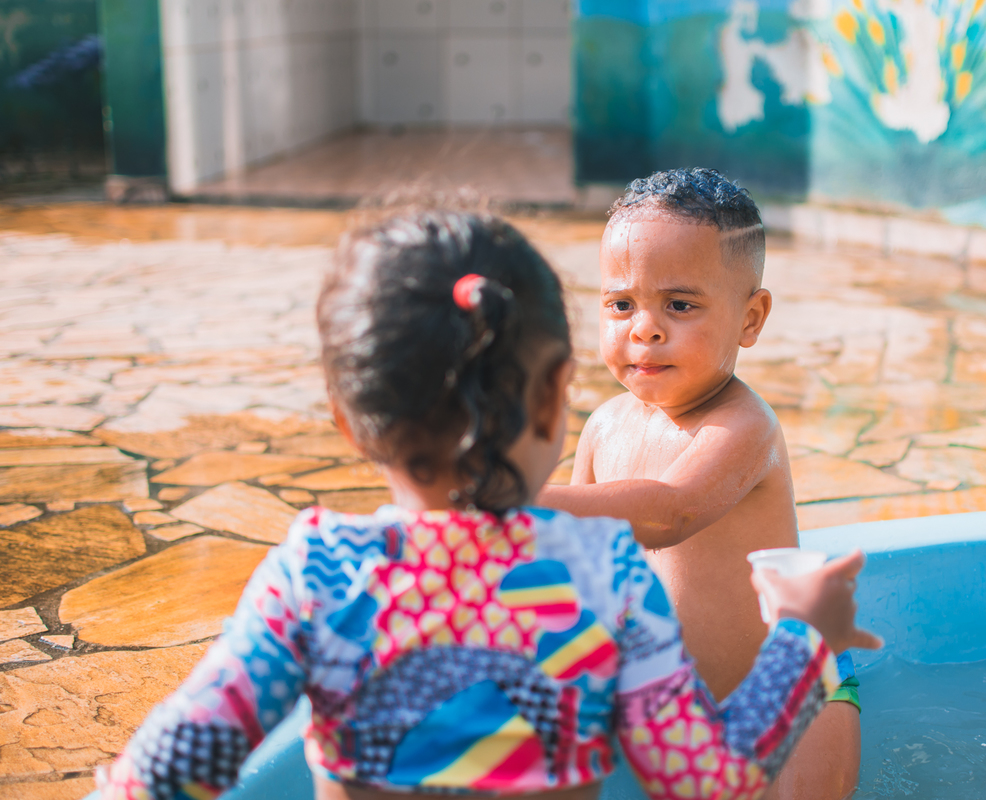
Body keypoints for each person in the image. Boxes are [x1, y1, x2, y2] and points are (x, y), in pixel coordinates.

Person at [96, 212, 880, 800]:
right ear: (553, 402)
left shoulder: (313, 576)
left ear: (349, 421)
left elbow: (170, 767)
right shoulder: (602, 578)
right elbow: (711, 778)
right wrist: (800, 636)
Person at [538, 169, 866, 800]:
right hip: (675, 718)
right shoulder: (604, 428)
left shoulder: (743, 426)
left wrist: (515, 498)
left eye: (680, 305)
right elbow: (574, 559)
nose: (645, 328)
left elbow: (671, 511)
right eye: (621, 304)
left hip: (793, 692)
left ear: (751, 318)